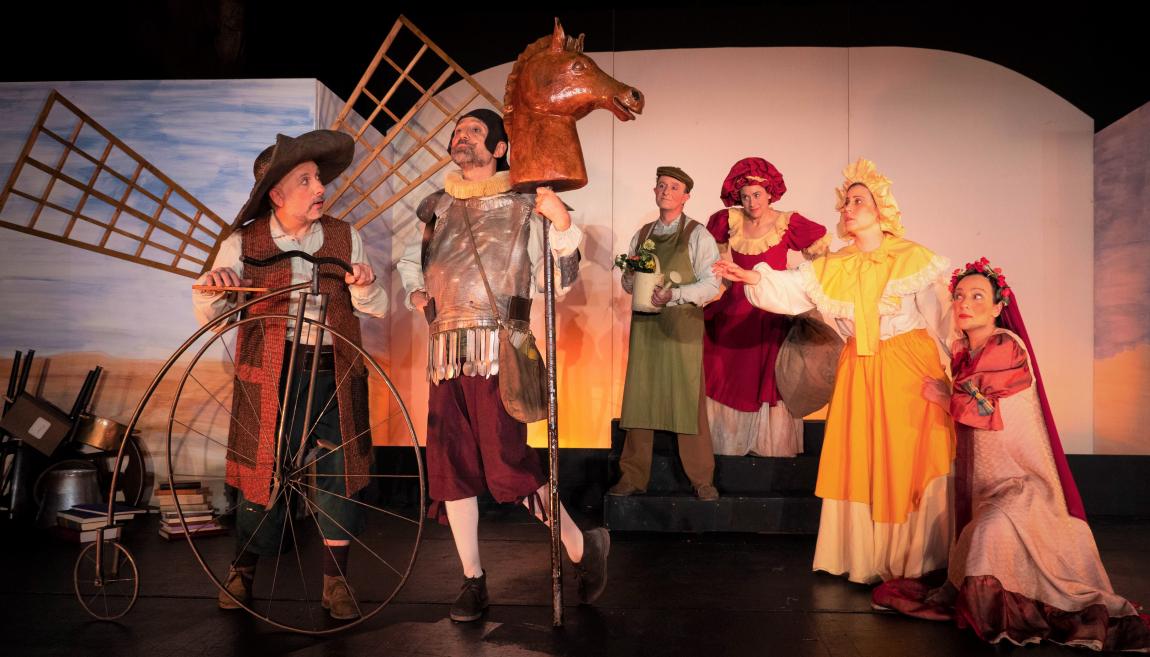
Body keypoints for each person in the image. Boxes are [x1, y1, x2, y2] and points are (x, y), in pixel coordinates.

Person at [396, 108, 609, 622]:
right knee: (451, 470)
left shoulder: (523, 204)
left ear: (498, 149)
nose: (461, 136)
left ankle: (581, 547)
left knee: (510, 466)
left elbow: (557, 281)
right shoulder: (436, 207)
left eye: (474, 131)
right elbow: (411, 263)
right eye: (458, 130)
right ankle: (472, 579)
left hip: (499, 351)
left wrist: (561, 223)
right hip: (446, 357)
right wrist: (417, 292)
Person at [872, 259, 1150, 651]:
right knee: (974, 543)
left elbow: (983, 409)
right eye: (959, 296)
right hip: (989, 486)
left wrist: (944, 396)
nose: (964, 303)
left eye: (977, 296)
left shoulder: (1004, 346)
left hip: (1023, 483)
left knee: (987, 539)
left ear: (998, 306)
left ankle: (1007, 607)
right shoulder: (964, 350)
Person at [714, 158, 955, 584]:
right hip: (859, 368)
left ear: (881, 209)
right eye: (846, 202)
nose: (848, 207)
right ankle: (863, 556)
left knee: (905, 453)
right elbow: (792, 287)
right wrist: (749, 276)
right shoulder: (835, 264)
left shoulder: (912, 257)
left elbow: (942, 321)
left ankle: (911, 555)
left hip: (909, 366)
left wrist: (951, 376)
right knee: (859, 455)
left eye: (858, 200)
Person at [193, 129, 388, 619]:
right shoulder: (244, 241)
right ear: (277, 195)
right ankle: (243, 571)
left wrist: (364, 285)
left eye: (319, 177)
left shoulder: (345, 236)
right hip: (270, 373)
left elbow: (378, 307)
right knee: (263, 467)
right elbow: (213, 316)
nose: (320, 187)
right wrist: (212, 288)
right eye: (306, 180)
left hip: (334, 369)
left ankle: (335, 582)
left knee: (339, 470)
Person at [609, 166, 722, 501]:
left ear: (686, 196)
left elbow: (712, 285)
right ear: (654, 191)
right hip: (647, 328)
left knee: (688, 401)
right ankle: (632, 476)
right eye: (661, 185)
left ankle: (702, 479)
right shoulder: (643, 234)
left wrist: (675, 294)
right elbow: (629, 284)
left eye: (674, 187)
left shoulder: (699, 235)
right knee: (639, 398)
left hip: (682, 328)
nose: (666, 191)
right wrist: (630, 276)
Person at [704, 157, 829, 457]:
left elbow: (822, 257)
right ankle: (731, 442)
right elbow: (713, 259)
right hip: (737, 307)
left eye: (757, 194)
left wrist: (803, 288)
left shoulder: (787, 222)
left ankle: (767, 445)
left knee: (771, 375)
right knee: (726, 369)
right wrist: (721, 284)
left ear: (770, 193)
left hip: (771, 310)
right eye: (745, 196)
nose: (752, 202)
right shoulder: (729, 221)